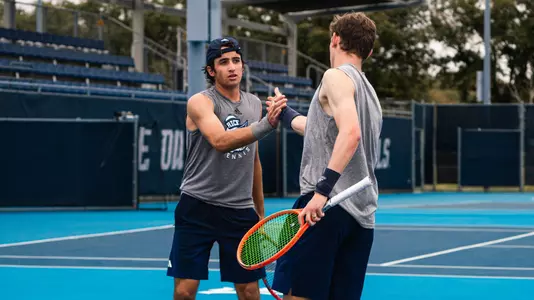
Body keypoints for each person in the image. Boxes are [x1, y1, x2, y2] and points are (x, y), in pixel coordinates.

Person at [268, 12, 383, 300]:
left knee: (299, 296)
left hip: (325, 209)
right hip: (360, 217)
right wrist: (285, 114)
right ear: (368, 51)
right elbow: (322, 130)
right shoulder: (370, 94)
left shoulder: (335, 76)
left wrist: (321, 192)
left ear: (335, 39)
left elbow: (350, 133)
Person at [166, 36, 288, 300]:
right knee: (185, 292)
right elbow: (220, 141)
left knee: (248, 293)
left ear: (243, 66)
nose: (232, 67)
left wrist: (260, 212)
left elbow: (253, 160)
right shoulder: (200, 102)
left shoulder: (254, 104)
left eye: (236, 61)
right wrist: (267, 124)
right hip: (197, 207)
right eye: (223, 62)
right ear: (212, 70)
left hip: (239, 212)